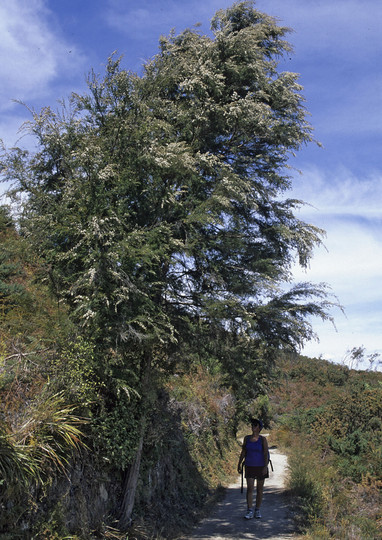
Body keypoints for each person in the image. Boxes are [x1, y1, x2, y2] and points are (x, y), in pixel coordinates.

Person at [237, 418, 269, 519]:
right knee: (250, 489)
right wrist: (239, 464)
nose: (253, 427)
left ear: (259, 428)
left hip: (260, 467)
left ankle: (257, 510)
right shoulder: (246, 438)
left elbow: (265, 454)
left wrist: (265, 467)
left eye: (255, 425)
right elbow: (243, 452)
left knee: (260, 490)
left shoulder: (263, 439)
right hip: (249, 466)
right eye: (252, 425)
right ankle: (249, 510)